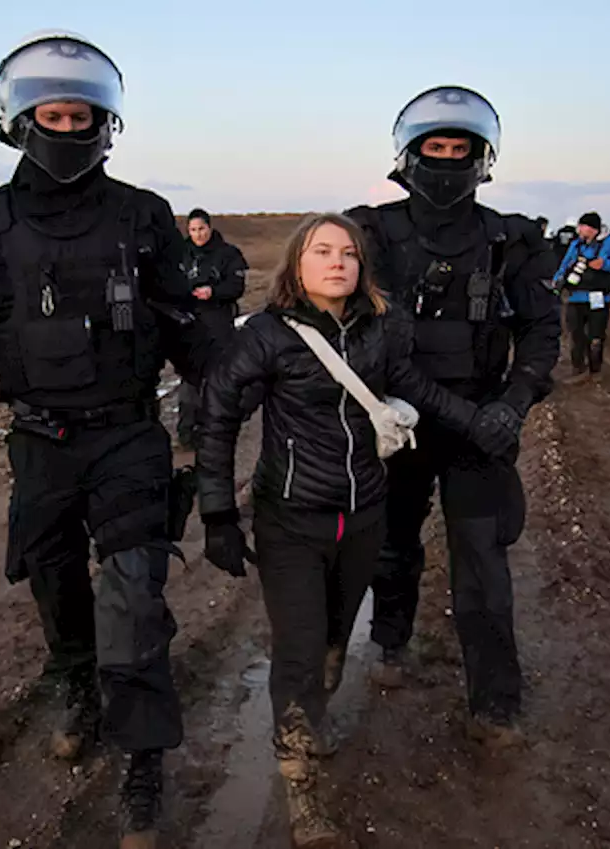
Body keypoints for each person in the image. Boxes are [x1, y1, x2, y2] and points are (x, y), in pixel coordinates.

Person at [0, 30, 213, 849]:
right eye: (55, 113)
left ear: (105, 123)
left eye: (84, 115)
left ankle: (142, 754)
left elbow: (191, 327)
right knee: (55, 586)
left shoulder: (144, 217)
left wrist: (243, 390)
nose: (69, 128)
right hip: (39, 442)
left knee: (133, 594)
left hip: (129, 438)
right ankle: (79, 687)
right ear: (20, 120)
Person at [197, 213, 519, 847]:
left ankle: (312, 712)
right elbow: (217, 418)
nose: (338, 261)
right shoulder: (267, 336)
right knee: (299, 646)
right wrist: (216, 515)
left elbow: (415, 388)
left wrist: (481, 424)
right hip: (291, 518)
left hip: (364, 515)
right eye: (323, 251)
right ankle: (300, 786)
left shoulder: (382, 330)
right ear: (297, 265)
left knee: (336, 640)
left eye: (348, 252)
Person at [345, 85, 561, 747]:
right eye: (432, 148)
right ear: (408, 155)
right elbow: (359, 332)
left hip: (482, 425)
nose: (444, 160)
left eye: (456, 148)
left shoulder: (509, 239)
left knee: (483, 559)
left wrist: (514, 402)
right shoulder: (372, 233)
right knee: (393, 541)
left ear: (480, 156)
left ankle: (496, 703)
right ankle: (390, 640)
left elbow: (542, 329)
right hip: (400, 422)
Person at [176, 208, 249, 451]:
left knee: (218, 377)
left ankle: (218, 430)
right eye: (193, 230)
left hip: (218, 322)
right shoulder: (179, 254)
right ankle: (187, 433)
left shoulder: (227, 254)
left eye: (201, 229)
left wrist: (213, 292)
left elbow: (236, 286)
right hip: (188, 324)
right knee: (189, 380)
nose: (198, 234)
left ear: (210, 227)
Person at [554, 212, 610, 375]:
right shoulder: (576, 244)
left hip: (599, 297)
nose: (579, 229)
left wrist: (604, 264)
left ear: (593, 229)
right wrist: (557, 281)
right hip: (576, 296)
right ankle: (578, 368)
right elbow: (565, 264)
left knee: (596, 335)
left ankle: (595, 370)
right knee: (576, 334)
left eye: (582, 226)